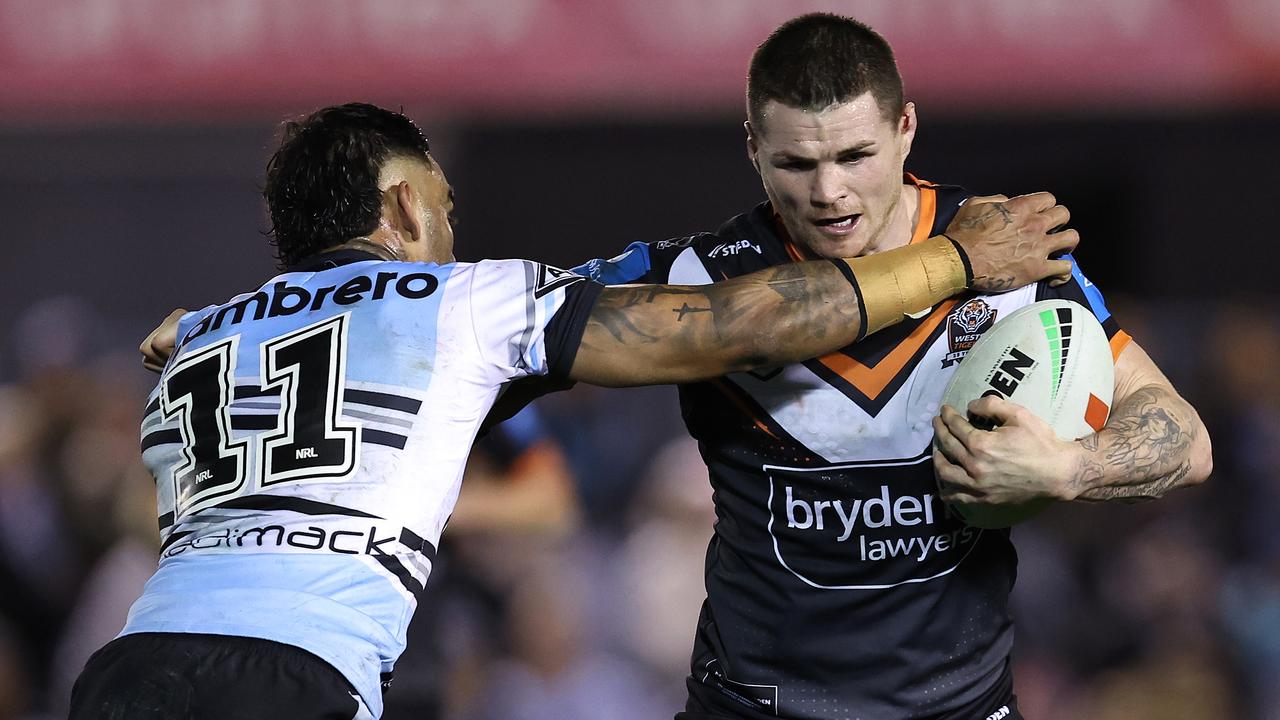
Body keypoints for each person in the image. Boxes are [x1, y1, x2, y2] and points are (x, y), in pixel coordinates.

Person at [73, 102, 1070, 719]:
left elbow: (135, 506)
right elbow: (737, 324)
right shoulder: (455, 302)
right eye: (445, 205)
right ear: (405, 207)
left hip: (125, 669)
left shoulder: (203, 331)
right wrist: (953, 260)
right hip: (290, 676)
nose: (453, 228)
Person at [560, 13, 1213, 720]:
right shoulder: (695, 277)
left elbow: (1184, 435)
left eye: (855, 155)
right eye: (796, 164)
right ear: (753, 148)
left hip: (962, 709)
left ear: (906, 127)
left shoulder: (1014, 256)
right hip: (750, 707)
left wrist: (1068, 467)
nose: (829, 193)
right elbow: (524, 329)